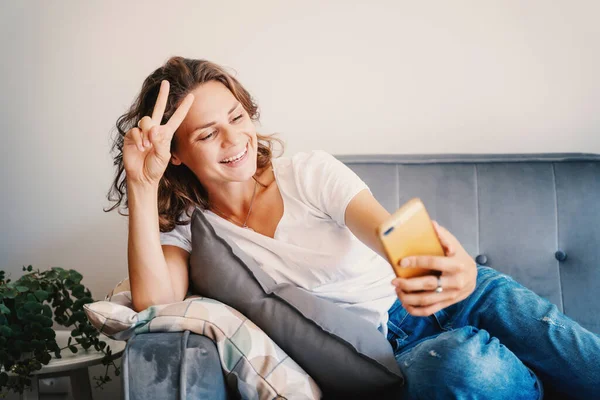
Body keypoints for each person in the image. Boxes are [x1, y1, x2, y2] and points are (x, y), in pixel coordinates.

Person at [106, 57, 600, 399]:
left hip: (467, 300)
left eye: (237, 117)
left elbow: (387, 233)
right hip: (397, 349)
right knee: (465, 366)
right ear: (178, 153)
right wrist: (142, 184)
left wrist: (450, 269)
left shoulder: (307, 172)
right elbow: (155, 307)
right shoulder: (192, 230)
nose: (234, 139)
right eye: (208, 133)